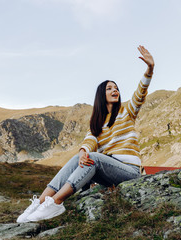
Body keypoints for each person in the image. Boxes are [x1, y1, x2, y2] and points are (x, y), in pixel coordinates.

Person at [17, 45, 154, 222]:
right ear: (101, 95)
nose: (115, 90)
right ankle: (39, 203)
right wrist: (82, 153)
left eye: (116, 88)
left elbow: (140, 94)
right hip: (109, 172)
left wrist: (149, 69)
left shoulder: (127, 111)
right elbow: (89, 141)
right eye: (109, 88)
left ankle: (56, 202)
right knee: (80, 158)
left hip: (130, 172)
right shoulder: (97, 122)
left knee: (93, 157)